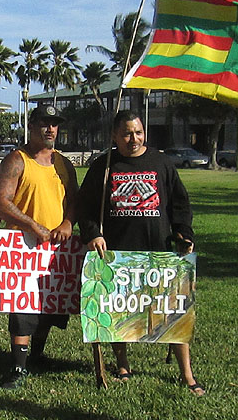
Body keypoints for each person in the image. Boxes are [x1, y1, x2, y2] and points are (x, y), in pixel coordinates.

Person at [76, 109, 204, 396]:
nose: (133, 139)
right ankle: (122, 364)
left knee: (173, 312)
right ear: (114, 135)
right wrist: (93, 234)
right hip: (117, 255)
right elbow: (84, 207)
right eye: (126, 133)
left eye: (137, 132)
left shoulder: (162, 163)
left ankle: (187, 374)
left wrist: (184, 233)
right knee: (118, 311)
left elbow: (180, 204)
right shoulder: (104, 166)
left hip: (158, 253)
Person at [0, 104, 78, 390]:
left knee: (50, 305)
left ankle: (37, 356)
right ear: (32, 126)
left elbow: (75, 200)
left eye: (54, 124)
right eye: (44, 123)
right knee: (23, 308)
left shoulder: (64, 163)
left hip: (56, 249)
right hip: (24, 249)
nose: (50, 128)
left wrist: (67, 223)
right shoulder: (17, 159)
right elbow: (0, 201)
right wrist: (31, 225)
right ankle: (17, 367)